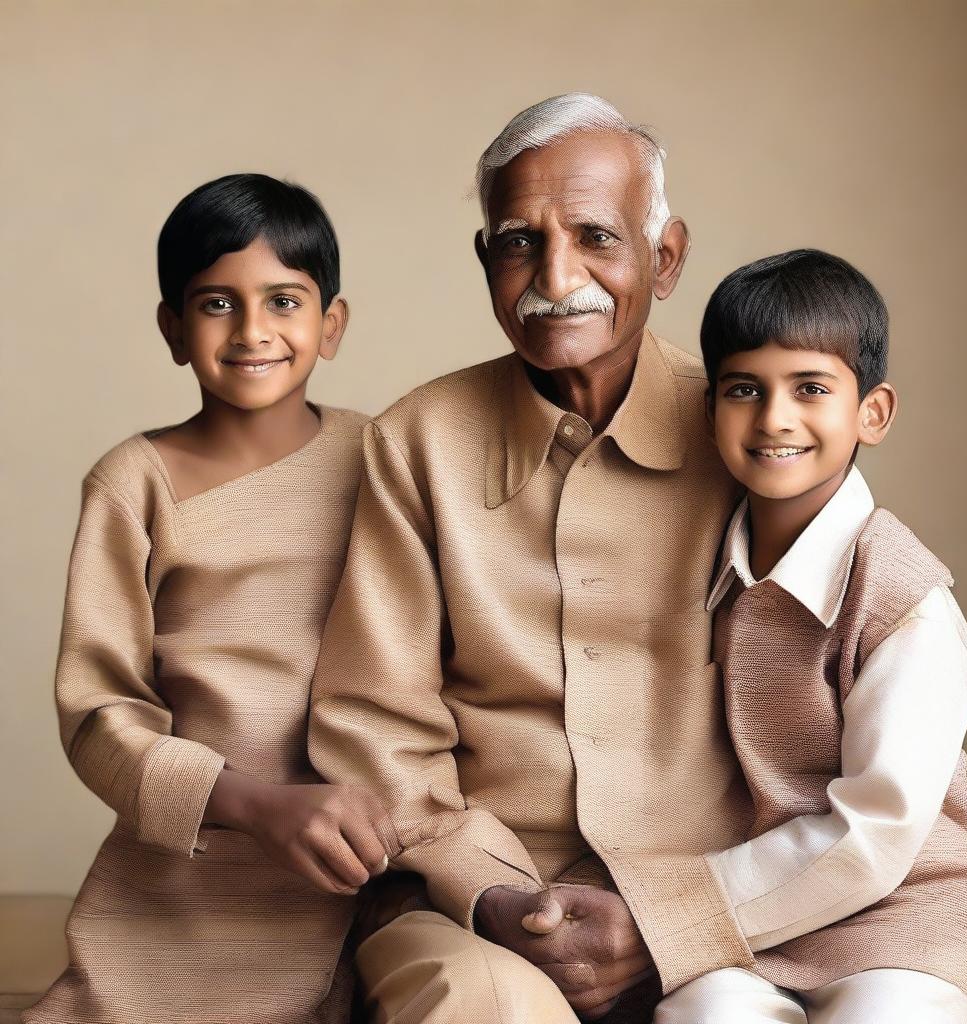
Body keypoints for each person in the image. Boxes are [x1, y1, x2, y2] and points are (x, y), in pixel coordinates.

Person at [308, 93, 750, 1022]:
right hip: (469, 909)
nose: (557, 275)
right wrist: (494, 894)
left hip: (711, 908)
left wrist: (672, 917)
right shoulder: (416, 441)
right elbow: (373, 723)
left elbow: (819, 707)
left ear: (665, 258)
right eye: (518, 242)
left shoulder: (750, 435)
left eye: (596, 236)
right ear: (486, 261)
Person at [26, 174, 404, 1024]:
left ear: (330, 325)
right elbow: (97, 712)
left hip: (363, 866)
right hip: (182, 878)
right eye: (216, 304)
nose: (253, 331)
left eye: (283, 300)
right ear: (172, 328)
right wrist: (253, 803)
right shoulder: (135, 482)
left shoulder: (385, 460)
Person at [651, 249, 967, 1022]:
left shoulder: (902, 596)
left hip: (910, 917)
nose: (775, 418)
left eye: (810, 388)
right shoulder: (705, 564)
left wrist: (681, 913)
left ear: (871, 413)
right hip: (755, 927)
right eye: (744, 390)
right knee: (703, 1016)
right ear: (709, 408)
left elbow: (879, 831)